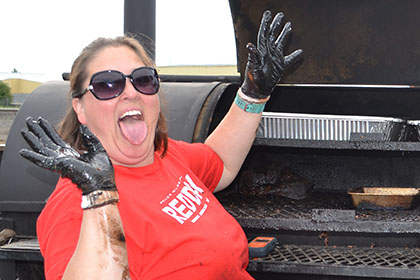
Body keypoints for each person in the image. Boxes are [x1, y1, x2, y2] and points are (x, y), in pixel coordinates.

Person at [20, 10, 302, 280]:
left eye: (143, 80)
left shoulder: (167, 157)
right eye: (107, 85)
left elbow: (221, 161)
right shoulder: (75, 204)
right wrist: (100, 196)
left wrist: (253, 94)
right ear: (80, 109)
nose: (131, 92)